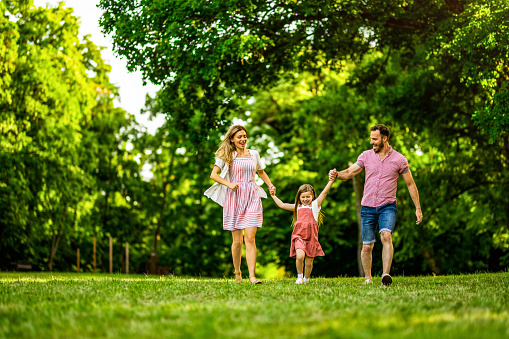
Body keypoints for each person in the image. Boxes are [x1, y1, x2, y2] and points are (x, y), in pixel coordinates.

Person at [329, 124, 422, 286]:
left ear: (384, 139)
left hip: (388, 206)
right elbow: (350, 173)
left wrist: (418, 208)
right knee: (367, 246)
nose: (371, 142)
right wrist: (337, 175)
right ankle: (368, 278)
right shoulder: (366, 156)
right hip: (368, 207)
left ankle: (385, 275)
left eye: (374, 139)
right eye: (371, 138)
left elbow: (410, 184)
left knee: (386, 235)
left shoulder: (399, 160)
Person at [205, 125, 275, 284]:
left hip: (252, 195)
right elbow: (213, 175)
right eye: (239, 137)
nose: (243, 139)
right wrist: (229, 184)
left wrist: (270, 185)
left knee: (250, 238)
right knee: (237, 241)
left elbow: (261, 171)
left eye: (245, 136)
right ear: (232, 139)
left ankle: (252, 276)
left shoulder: (254, 154)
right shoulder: (227, 154)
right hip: (234, 197)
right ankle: (238, 273)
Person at [269, 176, 335, 284]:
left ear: (312, 196)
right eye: (303, 197)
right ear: (299, 197)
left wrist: (331, 181)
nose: (305, 199)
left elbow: (325, 192)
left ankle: (306, 279)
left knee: (309, 263)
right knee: (300, 256)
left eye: (308, 197)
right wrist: (273, 196)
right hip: (298, 236)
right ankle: (299, 276)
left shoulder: (315, 206)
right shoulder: (297, 207)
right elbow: (282, 205)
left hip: (311, 238)